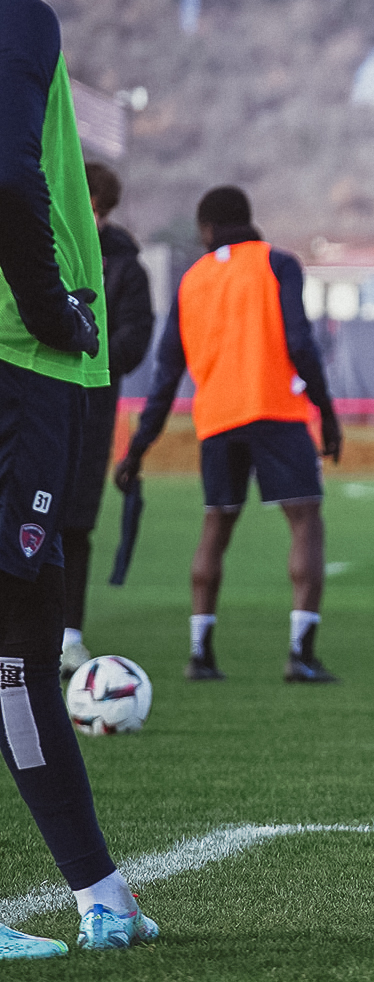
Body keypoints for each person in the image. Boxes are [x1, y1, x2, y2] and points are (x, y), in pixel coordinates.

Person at [0, 0, 159, 955]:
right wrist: (54, 311)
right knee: (19, 642)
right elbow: (8, 178)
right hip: (18, 368)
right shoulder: (14, 13)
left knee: (20, 646)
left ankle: (102, 892)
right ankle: (100, 895)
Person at [114, 186, 343, 683]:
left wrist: (137, 448)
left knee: (215, 526)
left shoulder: (191, 280)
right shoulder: (277, 264)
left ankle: (200, 654)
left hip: (216, 419)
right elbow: (300, 342)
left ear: (206, 229)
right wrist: (326, 411)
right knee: (305, 522)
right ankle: (300, 654)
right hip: (275, 410)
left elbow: (165, 374)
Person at [58, 163, 154, 678]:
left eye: (98, 209)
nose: (90, 217)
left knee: (74, 520)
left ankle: (70, 638)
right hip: (33, 398)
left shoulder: (125, 266)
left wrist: (86, 355)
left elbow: (137, 336)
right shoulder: (38, 240)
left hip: (92, 406)